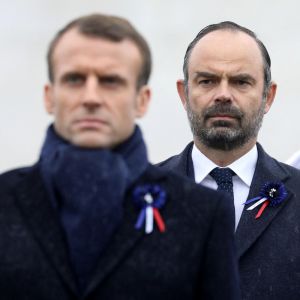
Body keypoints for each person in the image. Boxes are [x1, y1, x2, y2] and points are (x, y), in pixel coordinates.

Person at [0, 14, 240, 299]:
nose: (91, 97)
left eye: (110, 81)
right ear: (49, 96)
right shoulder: (6, 201)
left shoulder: (202, 213)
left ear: (142, 100)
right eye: (75, 79)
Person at [158, 21, 300, 299]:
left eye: (241, 81)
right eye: (207, 80)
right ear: (183, 94)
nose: (223, 94)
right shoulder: (135, 198)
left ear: (267, 97)